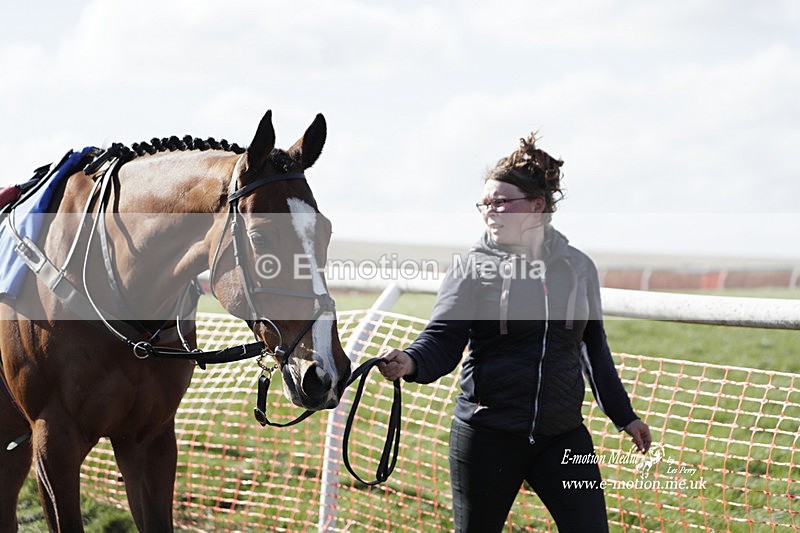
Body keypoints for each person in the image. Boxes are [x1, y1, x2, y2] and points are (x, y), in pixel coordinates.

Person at [378, 132, 651, 533]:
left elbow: (593, 349)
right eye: (485, 203)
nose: (490, 211)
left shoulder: (578, 268)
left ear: (537, 206)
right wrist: (412, 361)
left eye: (501, 202)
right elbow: (444, 337)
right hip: (488, 436)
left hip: (561, 436)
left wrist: (623, 415)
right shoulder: (472, 267)